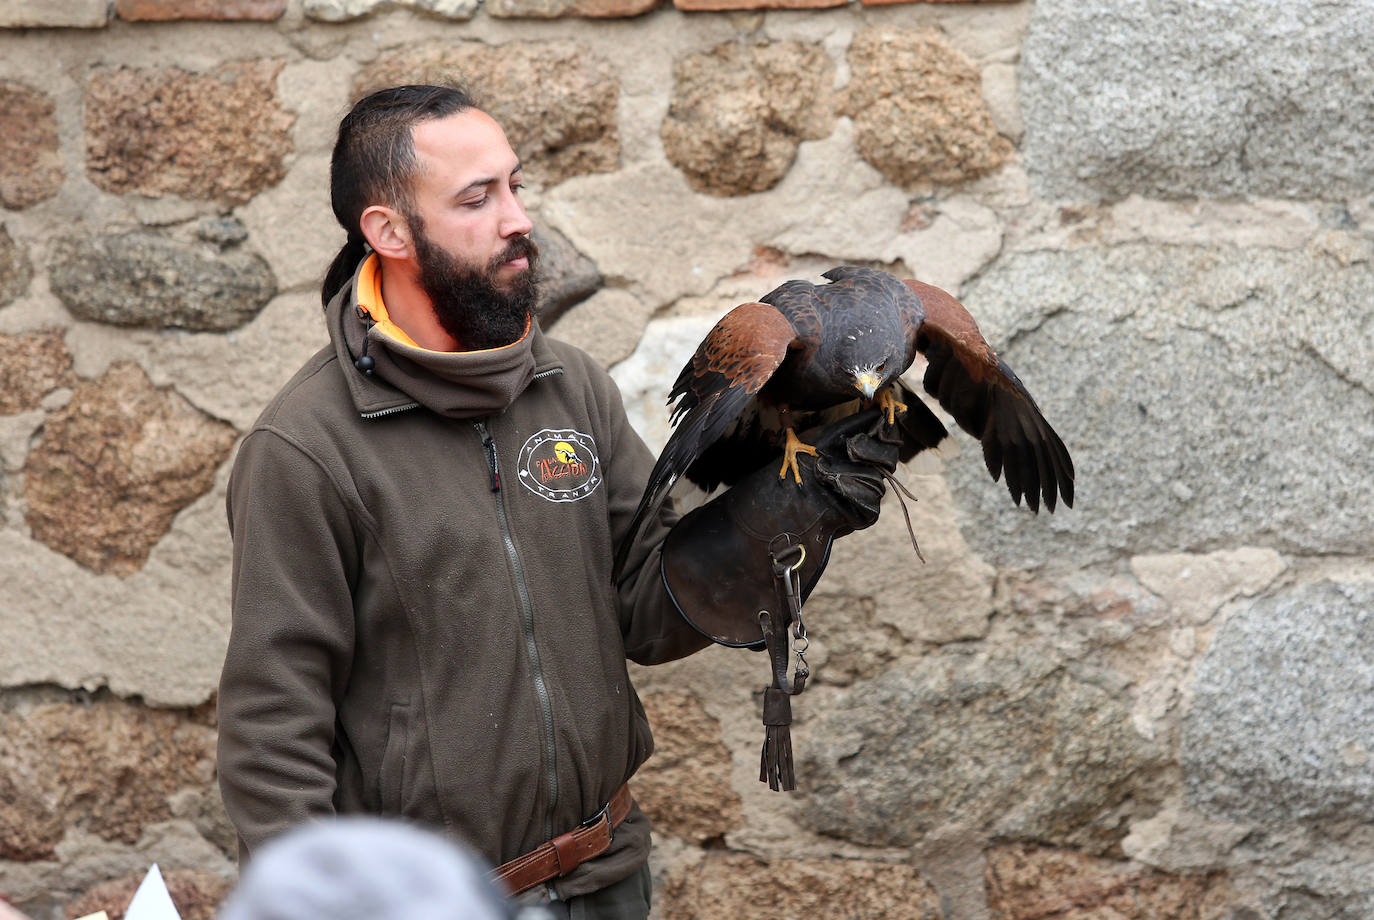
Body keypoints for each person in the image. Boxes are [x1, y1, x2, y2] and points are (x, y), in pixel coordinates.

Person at [216, 84, 894, 919]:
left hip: (607, 878)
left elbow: (647, 607)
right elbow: (273, 731)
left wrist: (786, 511)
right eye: (478, 198)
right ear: (388, 231)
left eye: (515, 185)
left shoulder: (570, 387)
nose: (518, 219)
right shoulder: (306, 451)